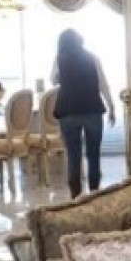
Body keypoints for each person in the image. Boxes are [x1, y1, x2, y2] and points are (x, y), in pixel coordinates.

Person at [50, 29, 116, 198]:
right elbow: (103, 84)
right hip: (92, 110)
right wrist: (111, 107)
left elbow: (53, 80)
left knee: (73, 155)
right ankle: (94, 192)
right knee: (93, 154)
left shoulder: (59, 59)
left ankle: (76, 195)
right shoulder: (93, 58)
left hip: (68, 111)